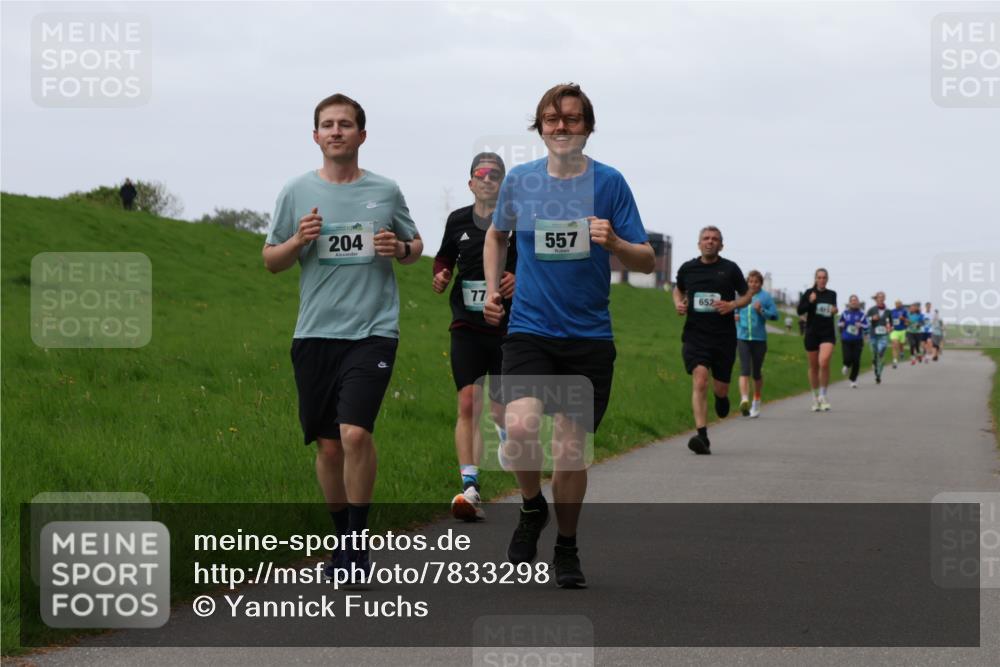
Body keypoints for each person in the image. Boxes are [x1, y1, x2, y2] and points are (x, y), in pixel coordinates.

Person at [483, 82, 654, 588]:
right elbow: (496, 234)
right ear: (540, 128)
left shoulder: (610, 183)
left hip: (588, 338)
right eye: (552, 119)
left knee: (570, 451)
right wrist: (493, 288)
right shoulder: (521, 181)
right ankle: (532, 507)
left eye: (572, 119)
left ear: (588, 127)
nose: (561, 127)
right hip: (530, 330)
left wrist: (615, 242)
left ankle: (566, 545)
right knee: (519, 429)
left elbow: (646, 259)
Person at [262, 93, 423, 581]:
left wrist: (400, 248)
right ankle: (340, 543)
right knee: (329, 447)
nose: (336, 131)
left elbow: (415, 245)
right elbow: (271, 261)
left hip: (373, 331)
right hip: (315, 332)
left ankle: (357, 545)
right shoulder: (296, 191)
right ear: (316, 136)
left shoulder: (386, 191)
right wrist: (298, 239)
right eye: (328, 125)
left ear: (361, 135)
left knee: (355, 432)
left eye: (345, 124)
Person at [433, 153, 517, 521]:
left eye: (494, 175)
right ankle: (470, 485)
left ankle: (506, 435)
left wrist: (518, 280)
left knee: (500, 409)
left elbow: (533, 265)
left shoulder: (516, 222)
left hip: (506, 328)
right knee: (469, 402)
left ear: (503, 184)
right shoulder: (457, 220)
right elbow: (444, 257)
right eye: (480, 174)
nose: (487, 179)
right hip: (466, 326)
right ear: (470, 183)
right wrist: (441, 275)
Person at [674, 228, 750, 446]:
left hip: (723, 338)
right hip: (695, 336)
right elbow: (678, 290)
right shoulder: (688, 268)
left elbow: (746, 294)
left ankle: (721, 397)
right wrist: (678, 303)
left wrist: (733, 304)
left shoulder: (730, 269)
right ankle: (702, 435)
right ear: (699, 244)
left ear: (721, 245)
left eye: (715, 239)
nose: (710, 242)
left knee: (720, 388)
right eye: (706, 239)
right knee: (700, 379)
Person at [734, 269, 777, 418]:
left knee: (756, 372)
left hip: (759, 340)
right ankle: (744, 399)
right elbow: (734, 308)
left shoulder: (766, 297)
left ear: (761, 283)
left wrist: (762, 310)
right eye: (751, 281)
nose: (753, 284)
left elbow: (775, 315)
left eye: (756, 282)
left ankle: (756, 401)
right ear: (747, 282)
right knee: (744, 370)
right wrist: (735, 315)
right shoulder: (741, 295)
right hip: (742, 338)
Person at [797, 268, 838, 411]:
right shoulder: (809, 293)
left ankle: (823, 395)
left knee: (824, 362)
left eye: (824, 277)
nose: (821, 280)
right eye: (819, 277)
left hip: (827, 333)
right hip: (812, 333)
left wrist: (835, 310)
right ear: (815, 279)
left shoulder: (832, 294)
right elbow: (800, 310)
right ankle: (815, 397)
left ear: (827, 279)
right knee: (814, 367)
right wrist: (810, 301)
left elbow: (833, 309)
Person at [838, 295, 869, 388]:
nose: (854, 302)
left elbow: (867, 325)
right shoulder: (845, 313)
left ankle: (853, 380)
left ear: (858, 302)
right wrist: (841, 324)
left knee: (856, 360)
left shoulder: (862, 314)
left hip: (857, 340)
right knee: (847, 357)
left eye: (855, 300)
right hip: (846, 339)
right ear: (849, 303)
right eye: (852, 301)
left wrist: (861, 325)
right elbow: (839, 323)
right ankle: (846, 365)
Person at [865, 291, 892, 384]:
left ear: (884, 298)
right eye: (879, 297)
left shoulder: (888, 311)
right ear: (876, 299)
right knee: (874, 354)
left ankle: (879, 373)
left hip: (883, 335)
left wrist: (890, 327)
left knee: (881, 352)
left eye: (882, 297)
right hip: (873, 335)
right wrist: (872, 318)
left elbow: (891, 323)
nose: (880, 299)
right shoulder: (871, 310)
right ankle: (877, 373)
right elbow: (865, 320)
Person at [889, 299, 909, 368]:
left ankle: (902, 352)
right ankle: (895, 361)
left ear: (901, 304)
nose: (898, 304)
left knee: (901, 345)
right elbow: (888, 320)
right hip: (894, 331)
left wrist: (903, 318)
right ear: (895, 304)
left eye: (899, 303)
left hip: (902, 330)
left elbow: (908, 321)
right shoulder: (892, 311)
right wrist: (889, 326)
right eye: (896, 303)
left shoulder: (904, 311)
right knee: (895, 345)